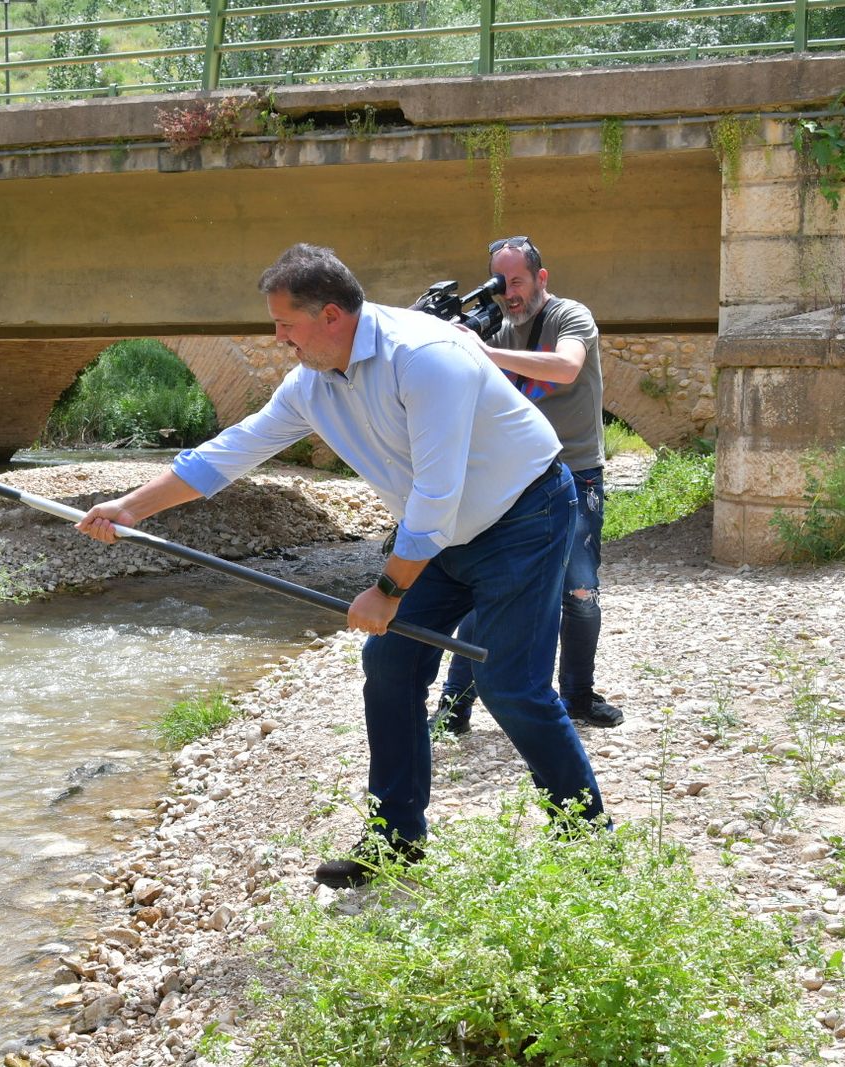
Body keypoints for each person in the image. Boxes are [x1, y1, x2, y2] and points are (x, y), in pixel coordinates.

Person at [75, 243, 607, 887]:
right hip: (439, 527)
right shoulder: (311, 384)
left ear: (330, 315)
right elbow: (229, 452)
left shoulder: (427, 357)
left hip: (524, 515)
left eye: (284, 324)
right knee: (389, 664)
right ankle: (395, 839)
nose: (278, 339)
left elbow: (438, 494)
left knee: (511, 686)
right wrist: (132, 507)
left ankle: (586, 843)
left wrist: (386, 589)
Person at [431, 236, 623, 736]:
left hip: (576, 472)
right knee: (491, 588)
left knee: (579, 592)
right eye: (501, 284)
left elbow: (566, 367)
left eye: (517, 281)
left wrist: (484, 352)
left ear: (542, 278)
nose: (509, 293)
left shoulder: (569, 317)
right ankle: (455, 707)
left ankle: (578, 696)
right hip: (514, 477)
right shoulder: (494, 327)